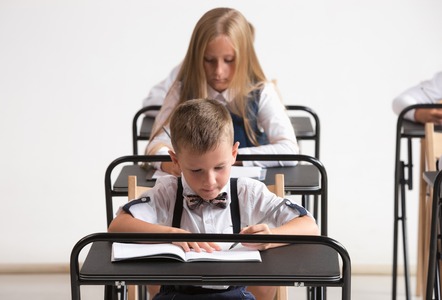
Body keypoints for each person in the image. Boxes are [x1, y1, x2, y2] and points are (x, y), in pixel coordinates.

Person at [109, 99, 319, 300]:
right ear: (176, 161)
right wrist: (172, 234)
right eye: (196, 170)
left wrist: (272, 237)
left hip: (233, 295)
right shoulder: (168, 191)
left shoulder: (247, 192)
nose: (209, 181)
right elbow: (117, 225)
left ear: (234, 153)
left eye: (219, 167)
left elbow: (309, 226)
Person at [145, 7, 299, 175]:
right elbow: (155, 146)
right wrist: (173, 165)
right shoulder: (182, 91)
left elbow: (289, 150)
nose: (218, 71)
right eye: (209, 60)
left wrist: (227, 158)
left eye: (229, 60)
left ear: (244, 58)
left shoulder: (261, 92)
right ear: (197, 57)